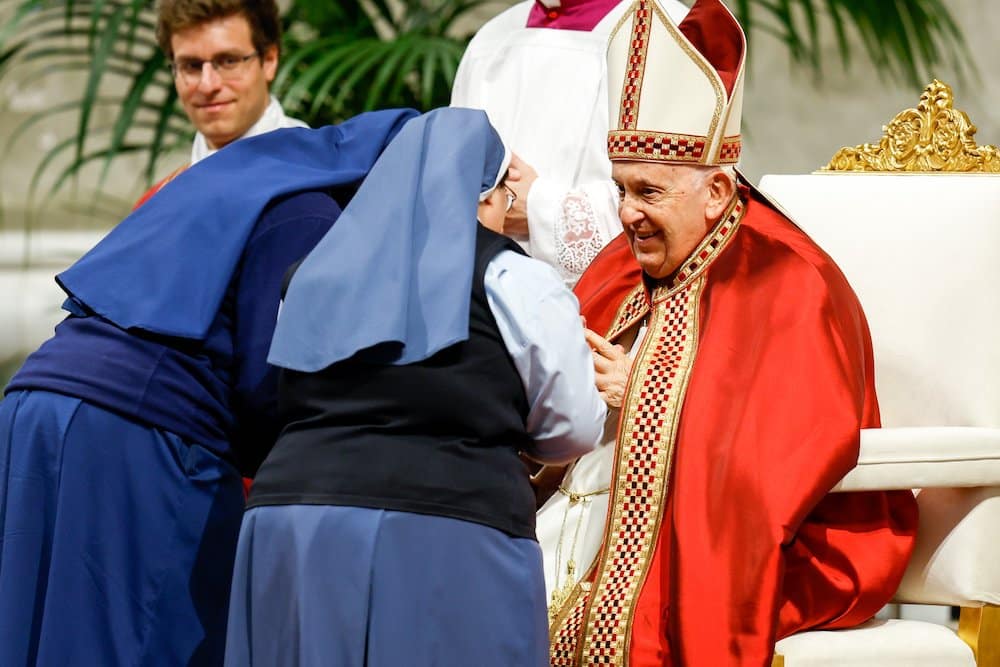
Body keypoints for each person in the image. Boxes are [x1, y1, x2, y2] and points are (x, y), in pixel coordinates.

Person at [539, 1, 919, 664]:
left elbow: (786, 460)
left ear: (716, 190)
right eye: (620, 188)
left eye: (648, 192)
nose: (626, 214)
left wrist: (646, 398)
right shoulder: (620, 263)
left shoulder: (790, 283)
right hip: (575, 523)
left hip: (738, 547)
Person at [0, 108, 416, 666]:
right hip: (133, 430)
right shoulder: (311, 215)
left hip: (34, 404)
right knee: (148, 642)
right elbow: (271, 382)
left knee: (27, 631)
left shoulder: (234, 179)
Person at [223, 107, 607, 667]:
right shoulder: (513, 277)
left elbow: (286, 387)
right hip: (444, 527)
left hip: (294, 523)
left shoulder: (308, 275)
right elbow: (573, 425)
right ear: (483, 195)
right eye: (506, 198)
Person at [451, 0, 687, 286]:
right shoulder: (493, 37)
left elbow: (682, 195)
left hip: (609, 301)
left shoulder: (669, 31)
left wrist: (539, 208)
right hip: (487, 297)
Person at [135, 0, 305, 207]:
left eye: (228, 61)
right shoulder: (155, 207)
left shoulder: (322, 179)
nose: (207, 85)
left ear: (269, 60)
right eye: (191, 66)